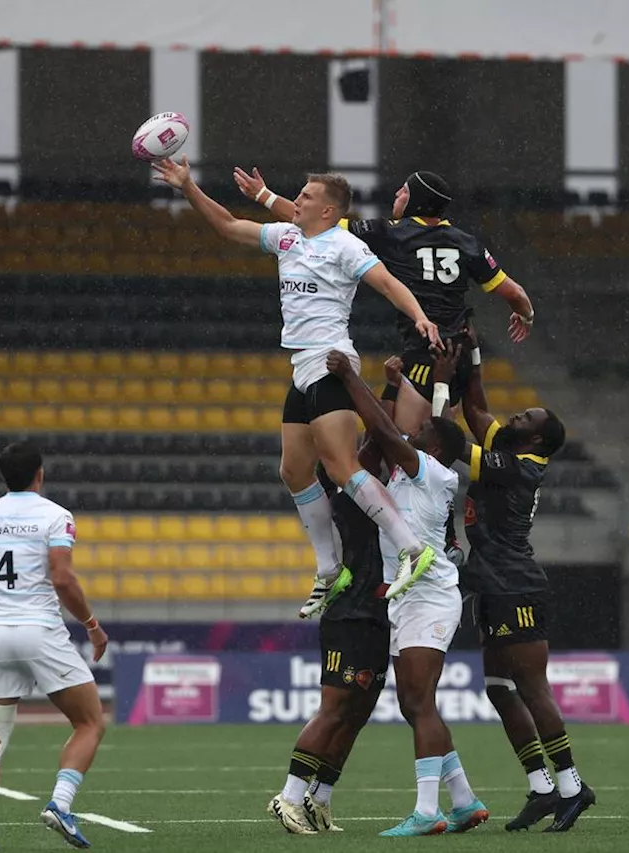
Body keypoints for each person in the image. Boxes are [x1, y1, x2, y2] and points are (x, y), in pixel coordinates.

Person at [151, 156, 443, 618]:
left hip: (332, 362)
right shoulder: (286, 237)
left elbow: (387, 283)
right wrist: (187, 185)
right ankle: (330, 571)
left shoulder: (345, 246)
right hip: (301, 367)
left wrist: (420, 317)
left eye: (306, 196)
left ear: (328, 210)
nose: (297, 200)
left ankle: (411, 548)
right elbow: (228, 226)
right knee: (293, 471)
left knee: (342, 467)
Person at [432, 339, 596, 832]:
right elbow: (476, 407)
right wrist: (472, 355)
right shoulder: (512, 450)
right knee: (500, 689)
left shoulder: (520, 469)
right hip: (492, 584)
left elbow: (449, 438)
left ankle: (572, 786)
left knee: (531, 686)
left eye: (525, 419)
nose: (515, 419)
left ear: (537, 441)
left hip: (515, 586)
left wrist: (439, 380)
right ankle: (543, 788)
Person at [235, 166, 536, 436]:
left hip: (426, 350)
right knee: (452, 436)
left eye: (404, 190)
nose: (397, 193)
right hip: (461, 351)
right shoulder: (468, 242)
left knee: (405, 448)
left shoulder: (391, 233)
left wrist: (263, 195)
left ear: (417, 199)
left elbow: (314, 223)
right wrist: (525, 316)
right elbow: (516, 294)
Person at [324, 350, 488, 837]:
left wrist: (355, 379)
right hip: (409, 596)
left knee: (419, 704)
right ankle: (463, 801)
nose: (409, 436)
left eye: (419, 438)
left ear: (432, 451)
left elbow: (386, 430)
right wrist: (410, 382)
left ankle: (426, 812)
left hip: (430, 596)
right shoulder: (423, 467)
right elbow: (421, 427)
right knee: (418, 704)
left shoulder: (429, 471)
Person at [0, 442, 110, 850]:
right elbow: (62, 578)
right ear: (39, 475)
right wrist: (92, 626)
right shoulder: (54, 516)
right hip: (41, 629)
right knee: (90, 721)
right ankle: (60, 804)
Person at [267, 459, 388, 834]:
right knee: (334, 710)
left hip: (379, 615)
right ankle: (288, 797)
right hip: (349, 614)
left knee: (357, 713)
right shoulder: (347, 496)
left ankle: (319, 800)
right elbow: (369, 451)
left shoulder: (373, 493)